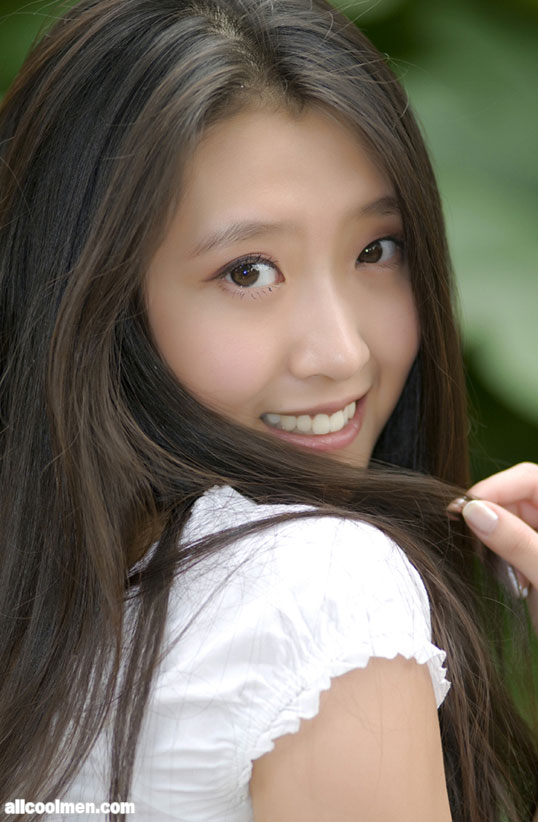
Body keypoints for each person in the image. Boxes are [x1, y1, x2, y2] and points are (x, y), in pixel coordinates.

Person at [0, 0, 536, 820]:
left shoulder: (48, 615)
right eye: (248, 271)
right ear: (93, 299)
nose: (343, 353)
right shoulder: (321, 587)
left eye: (376, 250)